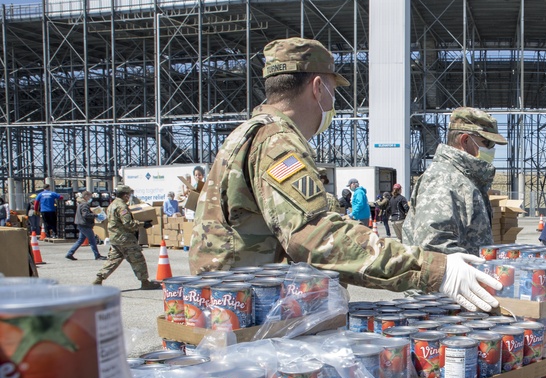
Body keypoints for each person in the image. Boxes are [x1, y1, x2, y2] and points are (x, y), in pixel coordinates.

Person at [188, 37, 499, 311]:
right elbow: (316, 236)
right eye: (334, 90)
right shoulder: (276, 140)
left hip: (236, 303)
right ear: (317, 87)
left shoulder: (250, 133)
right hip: (248, 312)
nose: (333, 101)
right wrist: (434, 268)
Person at [402, 107, 505, 255]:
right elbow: (434, 247)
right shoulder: (444, 179)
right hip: (454, 278)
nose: (491, 150)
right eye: (487, 143)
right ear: (465, 140)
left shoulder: (463, 178)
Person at [92, 185, 159, 289]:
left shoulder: (112, 205)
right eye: (129, 195)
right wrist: (143, 224)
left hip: (115, 238)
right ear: (125, 195)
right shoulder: (122, 206)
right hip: (125, 239)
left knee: (112, 261)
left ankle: (98, 279)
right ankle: (145, 282)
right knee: (138, 260)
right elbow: (128, 224)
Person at [66, 191, 105, 261]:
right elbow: (85, 214)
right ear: (86, 196)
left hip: (81, 224)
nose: (91, 198)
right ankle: (97, 255)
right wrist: (96, 215)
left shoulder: (80, 203)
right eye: (90, 196)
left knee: (80, 240)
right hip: (85, 225)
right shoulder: (84, 204)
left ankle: (70, 253)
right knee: (92, 240)